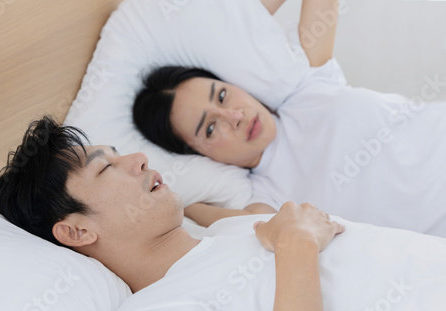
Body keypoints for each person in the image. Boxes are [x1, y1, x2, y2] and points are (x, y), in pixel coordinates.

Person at [0, 117, 446, 311]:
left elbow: (220, 213)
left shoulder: (221, 234)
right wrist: (298, 243)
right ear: (77, 231)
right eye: (106, 168)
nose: (138, 159)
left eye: (121, 154)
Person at [132, 0, 446, 236]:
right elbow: (185, 211)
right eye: (211, 128)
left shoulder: (308, 83)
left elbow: (239, 20)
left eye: (223, 95)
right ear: (200, 154)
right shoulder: (269, 200)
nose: (234, 116)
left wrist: (238, 24)